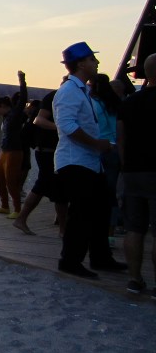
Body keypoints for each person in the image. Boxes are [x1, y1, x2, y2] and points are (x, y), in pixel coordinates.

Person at [53, 42, 126, 278]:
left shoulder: (81, 90)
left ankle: (100, 257)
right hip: (75, 161)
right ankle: (70, 261)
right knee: (82, 213)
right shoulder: (69, 92)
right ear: (82, 63)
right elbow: (67, 126)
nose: (97, 63)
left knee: (101, 208)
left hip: (89, 161)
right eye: (93, 60)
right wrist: (97, 143)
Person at [118, 53, 156, 295]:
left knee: (134, 228)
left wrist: (125, 165)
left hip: (133, 171)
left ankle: (134, 279)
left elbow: (120, 138)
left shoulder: (129, 102)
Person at [12, 88, 67, 236]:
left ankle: (61, 225)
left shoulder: (56, 97)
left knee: (50, 187)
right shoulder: (55, 97)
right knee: (51, 188)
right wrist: (61, 129)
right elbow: (39, 120)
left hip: (48, 150)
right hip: (48, 150)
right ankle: (62, 228)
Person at [0, 71, 28, 219]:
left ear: (4, 106)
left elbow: (23, 99)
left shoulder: (15, 114)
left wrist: (22, 81)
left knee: (11, 181)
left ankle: (17, 209)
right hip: (4, 151)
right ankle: (5, 206)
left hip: (15, 151)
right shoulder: (5, 115)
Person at [89, 73, 123, 247]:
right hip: (116, 149)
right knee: (112, 193)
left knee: (96, 192)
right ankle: (111, 232)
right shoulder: (117, 104)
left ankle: (96, 230)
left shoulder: (93, 104)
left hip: (99, 148)